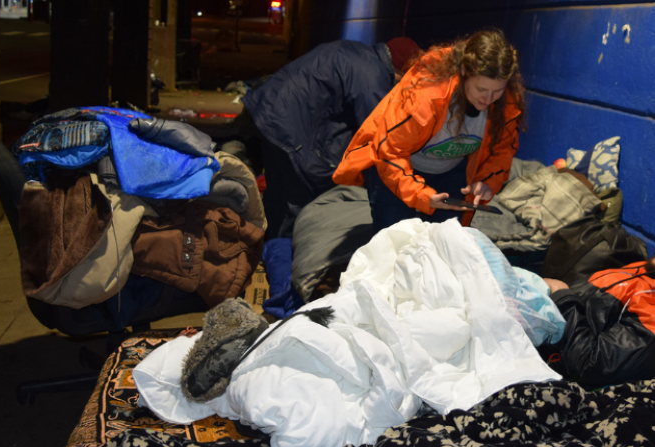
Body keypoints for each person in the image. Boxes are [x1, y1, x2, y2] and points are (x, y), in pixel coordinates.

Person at [332, 29, 526, 232]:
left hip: (450, 171)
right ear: (463, 72)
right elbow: (390, 152)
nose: (488, 99)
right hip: (397, 166)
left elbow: (502, 151)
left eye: (497, 91)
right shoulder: (426, 94)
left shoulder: (507, 103)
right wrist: (422, 196)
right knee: (398, 238)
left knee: (446, 239)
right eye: (481, 89)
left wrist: (485, 183)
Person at [238, 37, 420, 240]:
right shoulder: (373, 76)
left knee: (277, 191)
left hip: (268, 112)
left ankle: (268, 244)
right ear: (401, 71)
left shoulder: (356, 51)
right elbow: (377, 131)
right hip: (287, 126)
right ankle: (286, 257)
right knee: (301, 202)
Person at [541, 255, 655, 389]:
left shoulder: (650, 318)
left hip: (551, 374)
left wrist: (563, 298)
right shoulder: (645, 268)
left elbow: (590, 365)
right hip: (539, 332)